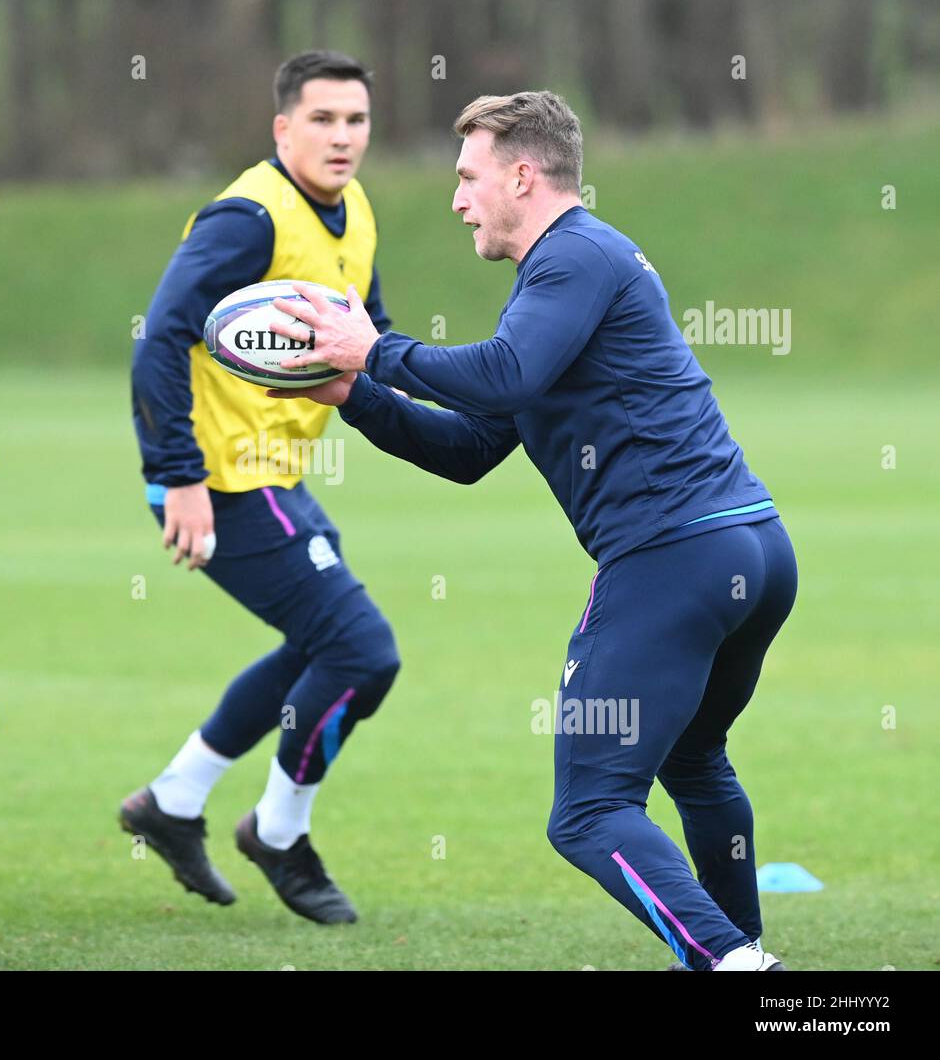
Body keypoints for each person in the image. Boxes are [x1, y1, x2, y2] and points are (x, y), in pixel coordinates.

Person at [268, 91, 797, 969]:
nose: (458, 199)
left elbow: (503, 374)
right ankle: (740, 952)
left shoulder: (574, 256)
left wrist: (375, 352)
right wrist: (354, 395)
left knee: (589, 811)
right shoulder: (566, 278)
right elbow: (474, 445)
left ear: (524, 174)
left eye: (469, 176)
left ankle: (738, 967)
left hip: (674, 558)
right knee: (696, 763)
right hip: (747, 548)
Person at [123, 51, 400, 924]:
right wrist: (179, 478)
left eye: (355, 120)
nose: (342, 137)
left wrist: (481, 392)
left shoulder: (354, 213)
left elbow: (374, 339)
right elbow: (159, 337)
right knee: (362, 652)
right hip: (222, 483)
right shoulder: (250, 216)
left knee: (315, 648)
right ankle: (278, 832)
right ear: (283, 128)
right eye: (323, 119)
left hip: (275, 478)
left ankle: (171, 801)